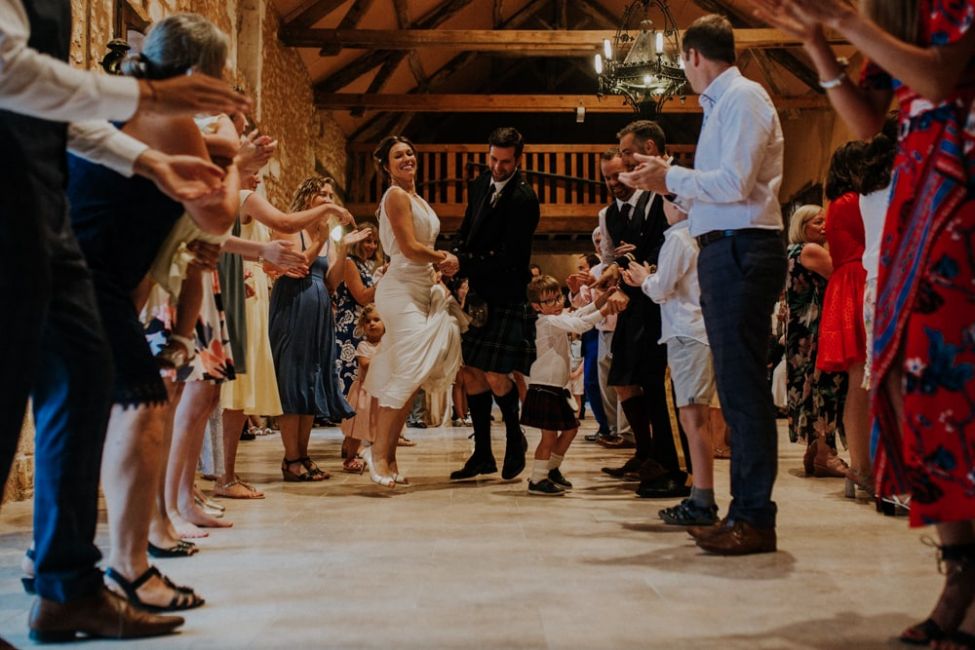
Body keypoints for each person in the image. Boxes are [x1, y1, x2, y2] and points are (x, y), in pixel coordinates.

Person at [0, 0, 249, 639]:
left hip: (54, 231)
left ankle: (64, 581)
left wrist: (151, 160)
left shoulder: (114, 91)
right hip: (32, 228)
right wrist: (152, 101)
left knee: (85, 387)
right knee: (123, 400)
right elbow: (8, 73)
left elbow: (57, 116)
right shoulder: (151, 101)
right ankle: (107, 570)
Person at [751, 0, 975, 642]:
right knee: (905, 376)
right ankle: (960, 563)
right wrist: (819, 45)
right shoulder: (894, 16)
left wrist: (850, 25)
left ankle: (964, 576)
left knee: (950, 375)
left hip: (962, 177)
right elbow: (868, 118)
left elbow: (936, 78)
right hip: (920, 189)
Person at [620, 14, 787, 555]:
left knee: (742, 392)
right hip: (725, 246)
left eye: (681, 62)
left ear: (692, 56)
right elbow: (715, 193)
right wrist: (667, 181)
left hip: (743, 248)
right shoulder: (721, 106)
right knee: (738, 390)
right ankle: (745, 511)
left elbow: (737, 184)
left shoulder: (743, 97)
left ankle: (755, 516)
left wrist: (672, 176)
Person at [362, 135, 464, 486]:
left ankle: (389, 455)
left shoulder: (417, 197)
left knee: (413, 374)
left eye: (409, 152)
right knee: (407, 371)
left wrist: (435, 268)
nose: (406, 158)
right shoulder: (395, 196)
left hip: (422, 286)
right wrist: (443, 258)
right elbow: (407, 246)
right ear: (387, 166)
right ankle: (376, 453)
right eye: (397, 155)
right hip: (401, 288)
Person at [599, 129, 689, 500]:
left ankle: (670, 463)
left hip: (662, 300)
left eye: (620, 172)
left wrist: (636, 272)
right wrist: (608, 276)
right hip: (634, 301)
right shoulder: (609, 215)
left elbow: (665, 247)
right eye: (606, 177)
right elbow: (611, 259)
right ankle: (648, 451)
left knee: (658, 384)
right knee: (625, 377)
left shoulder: (660, 199)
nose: (614, 183)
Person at [449, 128, 541, 481]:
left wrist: (465, 263)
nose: (498, 167)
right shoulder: (480, 183)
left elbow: (511, 257)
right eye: (494, 159)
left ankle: (515, 437)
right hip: (478, 293)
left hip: (506, 292)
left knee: (495, 374)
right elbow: (467, 229)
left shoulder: (523, 199)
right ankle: (483, 454)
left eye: (505, 161)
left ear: (518, 159)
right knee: (471, 371)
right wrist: (455, 258)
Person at [624, 202, 719, 526]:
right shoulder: (700, 234)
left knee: (692, 417)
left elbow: (662, 288)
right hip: (696, 331)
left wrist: (643, 278)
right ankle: (698, 491)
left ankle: (700, 494)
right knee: (695, 416)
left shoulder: (679, 237)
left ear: (677, 204)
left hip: (685, 332)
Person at [269, 176, 361, 481]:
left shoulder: (326, 236)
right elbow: (299, 267)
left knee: (311, 381)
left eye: (332, 195)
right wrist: (321, 238)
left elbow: (332, 282)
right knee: (292, 380)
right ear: (308, 198)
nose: (329, 199)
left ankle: (304, 456)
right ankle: (290, 458)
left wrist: (343, 247)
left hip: (320, 313)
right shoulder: (291, 228)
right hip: (292, 307)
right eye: (323, 194)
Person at [521, 275, 618, 495]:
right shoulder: (546, 321)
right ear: (537, 306)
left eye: (558, 297)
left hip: (555, 387)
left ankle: (552, 469)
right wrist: (605, 310)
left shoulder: (555, 317)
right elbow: (580, 324)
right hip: (544, 386)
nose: (557, 304)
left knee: (571, 429)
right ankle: (537, 479)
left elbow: (578, 314)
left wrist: (601, 300)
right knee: (549, 437)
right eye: (550, 301)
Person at [816, 142, 869, 483]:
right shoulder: (852, 202)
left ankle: (863, 466)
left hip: (848, 280)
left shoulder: (839, 203)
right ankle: (864, 467)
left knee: (859, 378)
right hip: (857, 281)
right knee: (862, 377)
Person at [784, 205, 848, 478]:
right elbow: (841, 275)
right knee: (823, 385)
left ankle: (813, 451)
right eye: (817, 222)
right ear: (802, 225)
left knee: (808, 386)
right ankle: (824, 452)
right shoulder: (811, 251)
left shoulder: (791, 252)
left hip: (801, 331)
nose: (824, 227)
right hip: (816, 330)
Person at [334, 222, 384, 395]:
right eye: (367, 241)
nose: (372, 246)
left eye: (375, 242)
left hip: (361, 324)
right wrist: (384, 281)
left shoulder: (366, 265)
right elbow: (362, 296)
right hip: (350, 326)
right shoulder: (349, 262)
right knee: (349, 370)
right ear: (357, 241)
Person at [340, 304, 385, 471]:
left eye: (376, 320)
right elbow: (366, 365)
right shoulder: (363, 346)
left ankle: (379, 459)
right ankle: (350, 457)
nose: (372, 324)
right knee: (356, 431)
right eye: (367, 321)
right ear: (362, 326)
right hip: (364, 395)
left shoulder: (388, 345)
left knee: (380, 429)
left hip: (381, 394)